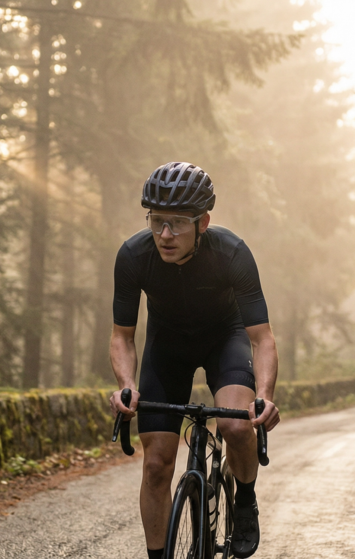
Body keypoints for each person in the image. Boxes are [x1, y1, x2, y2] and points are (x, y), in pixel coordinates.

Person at [108, 161, 281, 559]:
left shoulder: (232, 253)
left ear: (203, 222)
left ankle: (245, 500)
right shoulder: (134, 255)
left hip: (225, 339)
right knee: (156, 464)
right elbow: (122, 336)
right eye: (157, 221)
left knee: (235, 426)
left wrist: (265, 396)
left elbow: (261, 338)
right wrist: (126, 386)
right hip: (167, 347)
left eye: (178, 223)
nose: (165, 235)